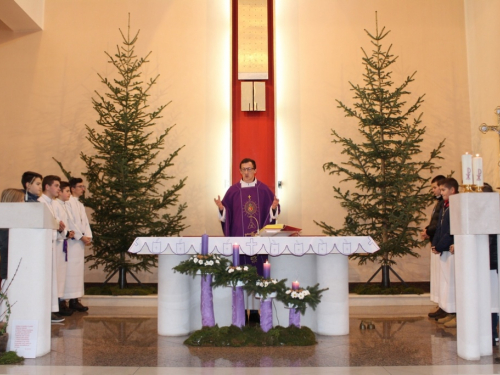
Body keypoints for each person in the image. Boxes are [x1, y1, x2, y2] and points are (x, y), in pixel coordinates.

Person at [214, 158, 279, 273]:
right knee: (240, 272)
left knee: (258, 270)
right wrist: (221, 209)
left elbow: (273, 212)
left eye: (249, 169)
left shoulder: (263, 190)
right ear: (240, 171)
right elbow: (226, 214)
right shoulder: (233, 190)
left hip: (259, 239)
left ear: (255, 170)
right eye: (243, 169)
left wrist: (273, 208)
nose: (246, 172)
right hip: (239, 238)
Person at [38, 175, 66, 323]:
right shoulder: (40, 203)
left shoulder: (53, 204)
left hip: (52, 246)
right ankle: (46, 311)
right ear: (47, 187)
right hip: (44, 248)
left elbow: (55, 226)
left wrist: (60, 229)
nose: (58, 189)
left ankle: (52, 309)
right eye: (56, 185)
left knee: (52, 280)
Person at [431, 177, 459, 328]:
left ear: (452, 190)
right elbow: (439, 228)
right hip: (444, 247)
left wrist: (441, 246)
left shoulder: (456, 206)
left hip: (451, 248)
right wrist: (435, 244)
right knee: (446, 281)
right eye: (440, 190)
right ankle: (449, 310)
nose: (440, 193)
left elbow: (451, 230)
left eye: (443, 190)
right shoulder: (444, 206)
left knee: (453, 282)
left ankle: (455, 313)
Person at [63, 177, 91, 312]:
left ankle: (75, 300)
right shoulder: (67, 203)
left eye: (83, 186)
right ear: (72, 188)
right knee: (68, 272)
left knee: (77, 272)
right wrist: (81, 236)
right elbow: (70, 222)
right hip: (72, 242)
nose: (83, 189)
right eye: (80, 186)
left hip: (79, 244)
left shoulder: (80, 204)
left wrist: (88, 236)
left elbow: (85, 222)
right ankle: (64, 300)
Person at [421, 175, 446, 318]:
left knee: (444, 278)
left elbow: (441, 225)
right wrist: (427, 230)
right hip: (437, 242)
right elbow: (435, 222)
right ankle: (442, 306)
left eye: (436, 188)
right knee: (439, 277)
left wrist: (428, 231)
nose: (435, 191)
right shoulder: (440, 203)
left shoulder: (445, 203)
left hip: (443, 244)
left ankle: (447, 309)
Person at [53, 181, 75, 316]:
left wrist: (68, 232)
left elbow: (65, 223)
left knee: (61, 275)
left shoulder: (63, 205)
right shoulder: (54, 204)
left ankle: (60, 302)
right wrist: (66, 233)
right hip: (56, 243)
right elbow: (56, 222)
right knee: (57, 275)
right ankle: (57, 304)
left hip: (62, 241)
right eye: (66, 190)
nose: (69, 194)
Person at [482, 183, 499, 346]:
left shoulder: (493, 215)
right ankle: (490, 333)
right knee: (488, 301)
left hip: (492, 265)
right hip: (486, 264)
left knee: (493, 301)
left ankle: (493, 332)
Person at [0, 189, 25, 283]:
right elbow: (5, 245)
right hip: (8, 267)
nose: (24, 203)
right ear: (13, 202)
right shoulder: (4, 221)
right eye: (22, 200)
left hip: (16, 264)